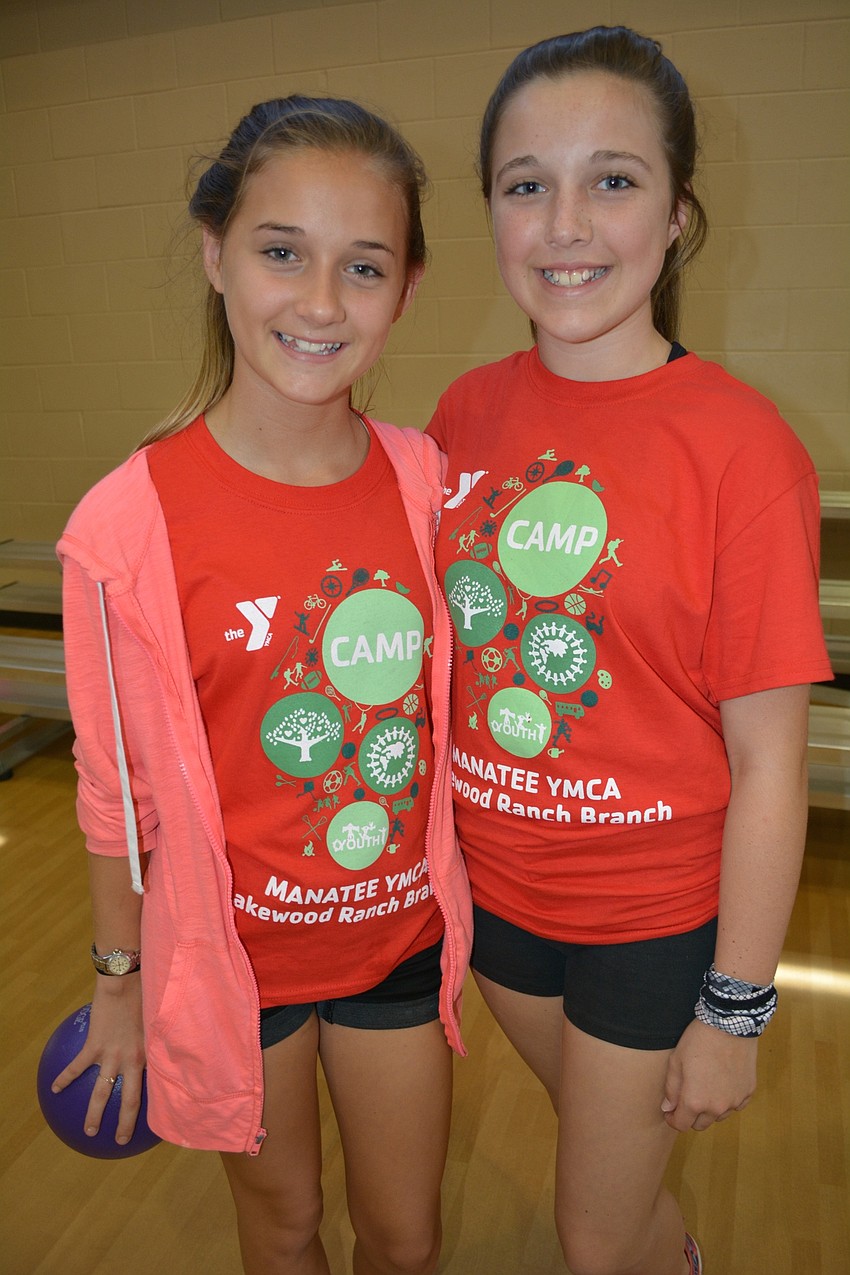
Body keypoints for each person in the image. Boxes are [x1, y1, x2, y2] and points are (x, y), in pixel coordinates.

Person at [427, 27, 832, 1275]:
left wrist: (735, 1006)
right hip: (495, 909)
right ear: (491, 211)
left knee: (592, 1233)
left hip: (651, 924)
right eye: (524, 183)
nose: (564, 224)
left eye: (612, 179)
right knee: (617, 1178)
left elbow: (771, 762)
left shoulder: (743, 446)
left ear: (677, 216)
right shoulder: (464, 414)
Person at [52, 95, 472, 1275]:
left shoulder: (421, 481)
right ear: (215, 255)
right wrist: (120, 984)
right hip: (234, 967)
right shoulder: (125, 524)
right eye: (282, 252)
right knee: (282, 1229)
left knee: (405, 1238)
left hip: (392, 943)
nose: (321, 302)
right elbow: (113, 790)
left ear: (406, 290)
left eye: (365, 266)